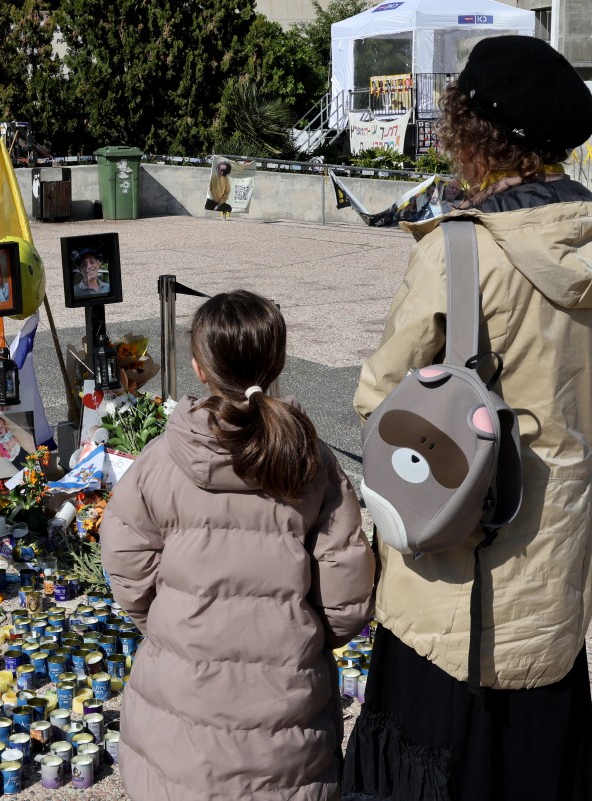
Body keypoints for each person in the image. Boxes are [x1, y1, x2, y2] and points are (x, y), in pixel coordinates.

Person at [343, 36, 592, 801]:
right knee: (540, 722)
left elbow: (380, 400)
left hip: (463, 546)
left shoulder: (461, 249)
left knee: (442, 740)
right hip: (562, 524)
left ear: (473, 131)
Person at [101, 290, 374, 801]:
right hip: (287, 716)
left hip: (181, 706)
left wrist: (171, 629)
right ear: (278, 361)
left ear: (199, 368)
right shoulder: (313, 462)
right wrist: (304, 642)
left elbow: (126, 568)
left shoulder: (161, 460)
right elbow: (348, 594)